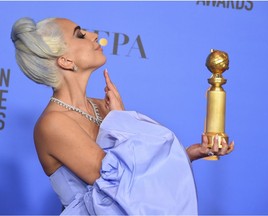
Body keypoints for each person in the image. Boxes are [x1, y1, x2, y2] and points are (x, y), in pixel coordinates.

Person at [11, 17, 234, 215]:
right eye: (80, 35)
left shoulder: (103, 105)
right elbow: (122, 188)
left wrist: (186, 156)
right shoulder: (54, 123)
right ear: (66, 61)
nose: (94, 35)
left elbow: (139, 180)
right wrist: (121, 119)